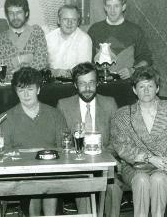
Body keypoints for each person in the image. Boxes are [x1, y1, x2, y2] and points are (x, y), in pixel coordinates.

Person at [0, 67, 67, 216]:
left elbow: (64, 148)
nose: (26, 94)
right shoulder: (6, 118)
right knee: (33, 187)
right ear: (16, 92)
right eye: (21, 90)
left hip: (52, 171)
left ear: (38, 90)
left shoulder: (55, 115)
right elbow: (4, 155)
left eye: (30, 89)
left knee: (49, 183)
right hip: (22, 175)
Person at [57, 62, 121, 217]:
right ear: (75, 85)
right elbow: (62, 141)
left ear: (97, 83)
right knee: (83, 184)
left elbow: (118, 138)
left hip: (105, 160)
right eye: (82, 84)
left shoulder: (109, 103)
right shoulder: (64, 105)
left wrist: (105, 156)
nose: (87, 88)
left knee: (114, 186)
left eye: (91, 82)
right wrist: (78, 158)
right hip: (78, 164)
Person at [111, 66, 167, 217]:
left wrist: (164, 161)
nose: (146, 90)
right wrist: (149, 158)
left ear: (157, 89)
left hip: (165, 165)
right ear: (134, 90)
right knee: (142, 179)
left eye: (150, 86)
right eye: (141, 86)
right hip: (134, 166)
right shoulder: (123, 114)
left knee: (159, 178)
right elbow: (121, 146)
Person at [88, 0, 152, 80]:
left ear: (124, 7)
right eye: (109, 6)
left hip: (126, 84)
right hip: (99, 83)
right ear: (104, 7)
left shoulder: (135, 30)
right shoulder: (94, 29)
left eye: (116, 6)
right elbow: (87, 60)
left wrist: (132, 70)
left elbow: (146, 58)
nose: (112, 10)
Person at [0, 0, 48, 80]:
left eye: (19, 12)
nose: (15, 17)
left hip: (33, 84)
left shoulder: (36, 32)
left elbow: (41, 61)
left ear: (26, 13)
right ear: (7, 15)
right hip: (9, 87)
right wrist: (20, 59)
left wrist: (17, 71)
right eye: (11, 13)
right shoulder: (1, 39)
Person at [46, 4, 92, 77]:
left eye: (73, 20)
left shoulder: (84, 40)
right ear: (58, 20)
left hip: (73, 84)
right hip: (51, 82)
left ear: (78, 22)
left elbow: (84, 70)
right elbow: (42, 66)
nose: (69, 23)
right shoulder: (48, 38)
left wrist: (65, 74)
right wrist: (54, 72)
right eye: (65, 19)